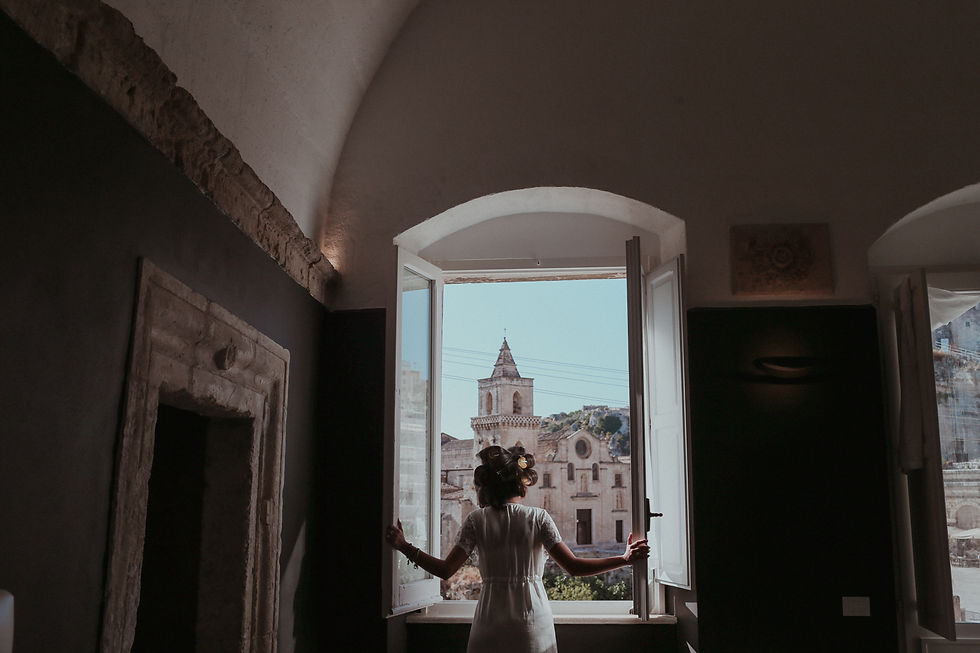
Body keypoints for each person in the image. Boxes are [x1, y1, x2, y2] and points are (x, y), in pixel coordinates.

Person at [385, 445, 650, 653]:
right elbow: (574, 567)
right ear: (520, 483)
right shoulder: (539, 517)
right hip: (533, 621)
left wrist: (404, 546)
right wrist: (625, 559)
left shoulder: (476, 520)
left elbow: (444, 570)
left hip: (489, 622)